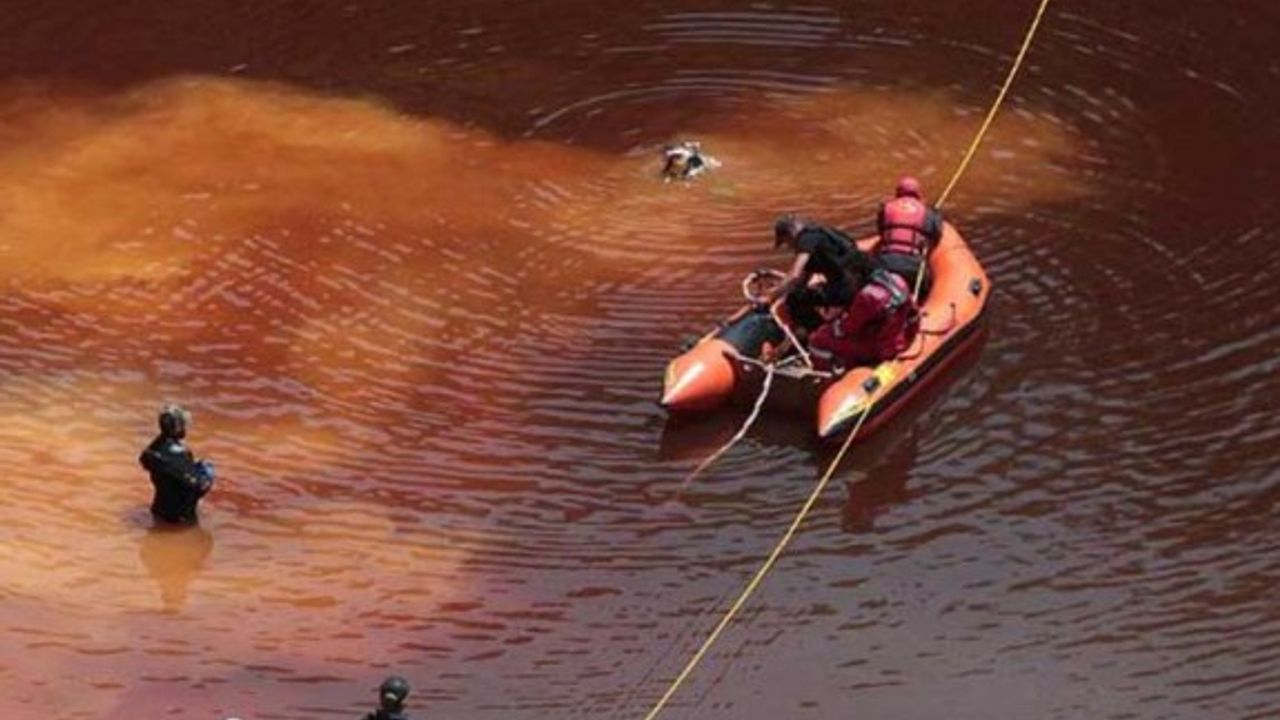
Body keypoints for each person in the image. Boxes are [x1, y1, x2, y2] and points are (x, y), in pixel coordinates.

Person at [808, 250, 920, 371]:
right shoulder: (896, 279)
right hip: (900, 337)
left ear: (857, 274)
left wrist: (833, 322)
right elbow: (913, 311)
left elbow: (847, 328)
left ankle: (838, 368)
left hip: (881, 347)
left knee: (818, 339)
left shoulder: (867, 296)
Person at [759, 213, 861, 334]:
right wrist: (780, 285)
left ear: (790, 234)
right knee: (800, 294)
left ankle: (818, 333)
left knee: (795, 301)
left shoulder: (805, 239)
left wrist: (770, 297)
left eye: (786, 242)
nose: (790, 247)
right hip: (854, 281)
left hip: (846, 288)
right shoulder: (819, 234)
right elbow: (802, 280)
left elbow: (795, 274)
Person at [139, 404, 215, 525]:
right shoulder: (180, 454)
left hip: (158, 511)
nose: (186, 428)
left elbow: (147, 461)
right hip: (179, 519)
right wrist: (208, 474)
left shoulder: (152, 451)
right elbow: (199, 487)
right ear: (178, 427)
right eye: (184, 425)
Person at [875, 176, 943, 299]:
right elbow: (936, 235)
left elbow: (881, 231)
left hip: (885, 265)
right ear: (918, 194)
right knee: (924, 291)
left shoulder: (885, 208)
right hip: (913, 267)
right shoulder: (927, 212)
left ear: (897, 193)